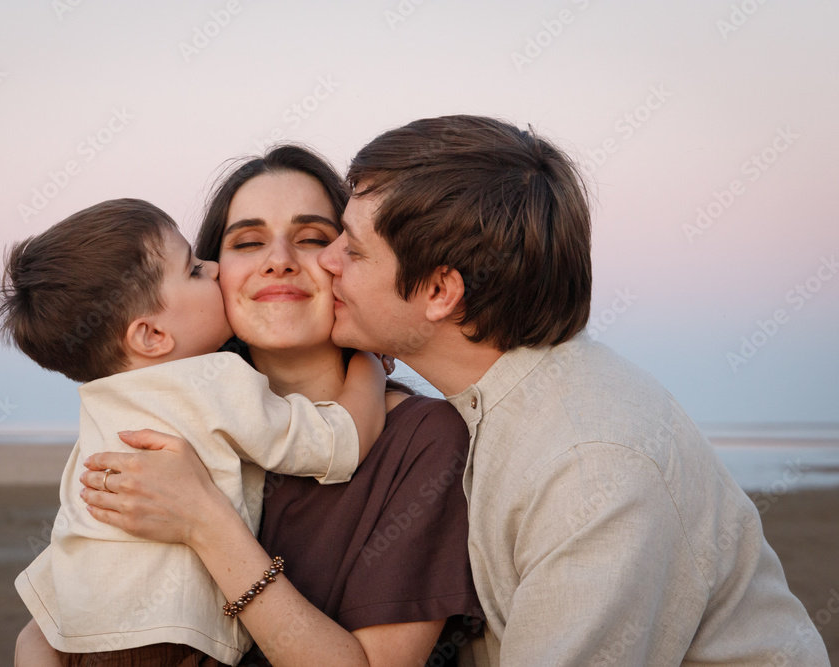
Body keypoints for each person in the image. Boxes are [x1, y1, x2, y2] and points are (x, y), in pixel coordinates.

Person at [309, 114, 828, 665]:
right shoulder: (495, 405)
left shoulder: (591, 470)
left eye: (355, 250)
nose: (326, 259)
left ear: (440, 290)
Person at [16, 146, 482, 666]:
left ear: (348, 262)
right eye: (248, 241)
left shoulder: (426, 439)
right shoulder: (164, 423)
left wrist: (205, 523)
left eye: (311, 238)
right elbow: (52, 625)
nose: (278, 260)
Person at [0, 197, 389, 665]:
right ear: (151, 336)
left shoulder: (104, 404)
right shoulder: (217, 381)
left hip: (79, 640)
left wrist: (35, 643)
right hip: (173, 641)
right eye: (195, 270)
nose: (216, 270)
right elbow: (335, 443)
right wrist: (369, 364)